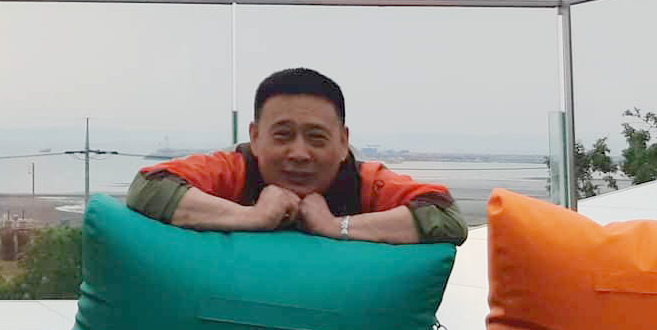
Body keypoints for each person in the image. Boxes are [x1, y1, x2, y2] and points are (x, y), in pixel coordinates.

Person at [126, 66, 467, 245]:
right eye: (283, 135)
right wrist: (253, 217)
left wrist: (336, 226)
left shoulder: (364, 180)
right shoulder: (235, 168)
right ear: (255, 138)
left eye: (316, 138)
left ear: (343, 143)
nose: (299, 153)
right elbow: (149, 187)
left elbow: (445, 215)